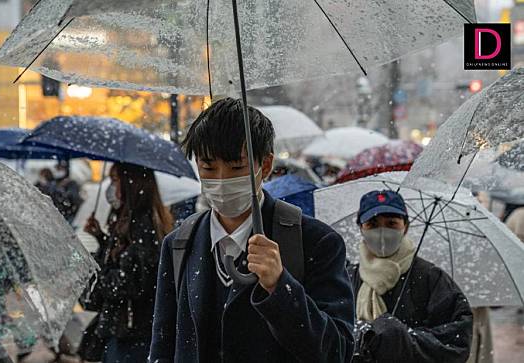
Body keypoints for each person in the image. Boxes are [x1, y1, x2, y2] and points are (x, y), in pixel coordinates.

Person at [149, 97, 355, 363]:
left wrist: (281, 288)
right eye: (208, 167)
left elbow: (337, 352)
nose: (221, 180)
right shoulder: (179, 244)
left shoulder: (315, 242)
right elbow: (163, 346)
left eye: (237, 167)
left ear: (265, 166)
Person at [348, 190, 473, 363]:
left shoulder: (431, 278)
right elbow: (331, 333)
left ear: (405, 226)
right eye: (372, 224)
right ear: (361, 228)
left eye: (391, 223)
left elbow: (456, 342)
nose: (382, 232)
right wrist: (360, 339)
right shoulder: (347, 278)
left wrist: (402, 339)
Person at [81, 162, 173, 363]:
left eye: (115, 180)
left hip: (131, 333)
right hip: (124, 330)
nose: (110, 188)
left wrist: (96, 272)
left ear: (132, 184)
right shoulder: (127, 221)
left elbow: (128, 282)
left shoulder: (141, 226)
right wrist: (101, 238)